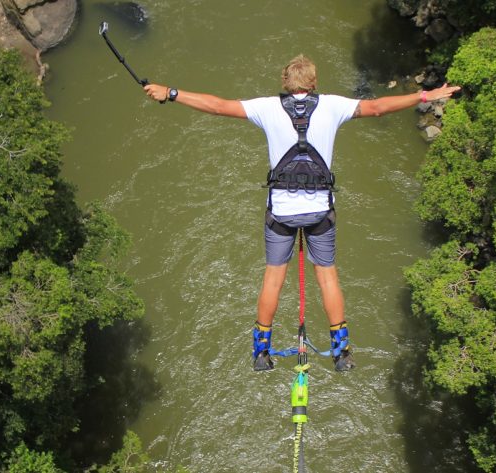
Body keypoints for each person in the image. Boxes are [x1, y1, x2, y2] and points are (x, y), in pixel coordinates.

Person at [144, 55, 460, 372]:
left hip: (281, 213)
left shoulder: (266, 107)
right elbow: (378, 107)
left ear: (285, 82)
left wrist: (171, 93)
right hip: (319, 212)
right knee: (327, 277)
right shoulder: (333, 105)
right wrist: (424, 96)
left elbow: (217, 105)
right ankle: (341, 354)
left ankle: (261, 354)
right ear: (313, 82)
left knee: (273, 279)